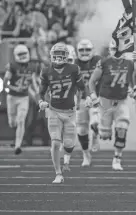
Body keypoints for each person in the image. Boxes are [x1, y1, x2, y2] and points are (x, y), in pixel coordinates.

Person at [38, 43, 87, 183]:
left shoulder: (73, 69)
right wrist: (41, 101)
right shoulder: (46, 71)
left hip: (70, 113)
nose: (59, 57)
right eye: (56, 54)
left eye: (62, 54)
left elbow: (82, 87)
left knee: (69, 144)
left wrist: (89, 97)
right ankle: (58, 173)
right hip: (54, 111)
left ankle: (66, 160)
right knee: (55, 142)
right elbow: (41, 92)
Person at [87, 39, 136, 171]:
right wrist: (93, 96)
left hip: (121, 101)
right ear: (110, 50)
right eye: (114, 49)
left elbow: (134, 82)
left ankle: (117, 159)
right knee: (105, 135)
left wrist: (134, 90)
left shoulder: (130, 63)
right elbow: (92, 82)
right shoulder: (104, 63)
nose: (117, 52)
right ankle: (96, 131)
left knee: (122, 129)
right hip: (105, 101)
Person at [3, 44, 38, 155]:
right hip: (12, 97)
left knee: (21, 120)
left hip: (24, 97)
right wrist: (14, 88)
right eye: (20, 54)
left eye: (24, 54)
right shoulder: (12, 66)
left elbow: (32, 80)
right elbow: (4, 84)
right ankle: (17, 140)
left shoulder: (32, 66)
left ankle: (18, 146)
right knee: (13, 123)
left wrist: (36, 90)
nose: (23, 56)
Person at [75, 39, 102, 167]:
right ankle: (86, 154)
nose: (84, 52)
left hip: (95, 97)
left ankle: (95, 135)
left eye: (87, 49)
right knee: (81, 129)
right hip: (80, 99)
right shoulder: (74, 64)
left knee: (95, 122)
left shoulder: (99, 61)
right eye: (82, 50)